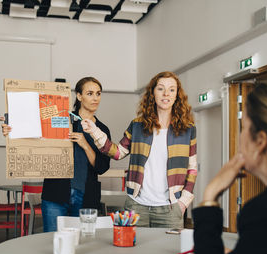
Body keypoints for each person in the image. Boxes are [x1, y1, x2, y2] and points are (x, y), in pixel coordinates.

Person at [82, 71, 197, 228]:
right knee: (133, 251)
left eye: (171, 89)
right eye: (161, 89)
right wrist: (95, 131)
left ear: (177, 95)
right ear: (153, 93)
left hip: (171, 208)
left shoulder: (187, 130)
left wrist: (184, 201)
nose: (166, 94)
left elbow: (192, 168)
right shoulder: (137, 126)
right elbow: (117, 152)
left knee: (169, 251)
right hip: (136, 206)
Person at [2, 77, 111, 232]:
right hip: (55, 194)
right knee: (53, 241)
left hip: (85, 196)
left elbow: (102, 167)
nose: (95, 98)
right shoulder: (61, 118)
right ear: (79, 96)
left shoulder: (102, 129)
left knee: (82, 245)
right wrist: (11, 129)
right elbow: (35, 133)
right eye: (90, 93)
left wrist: (85, 144)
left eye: (98, 94)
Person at [192, 79, 267, 254]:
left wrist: (210, 196)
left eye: (243, 127)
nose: (240, 136)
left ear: (260, 141)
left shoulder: (262, 214)